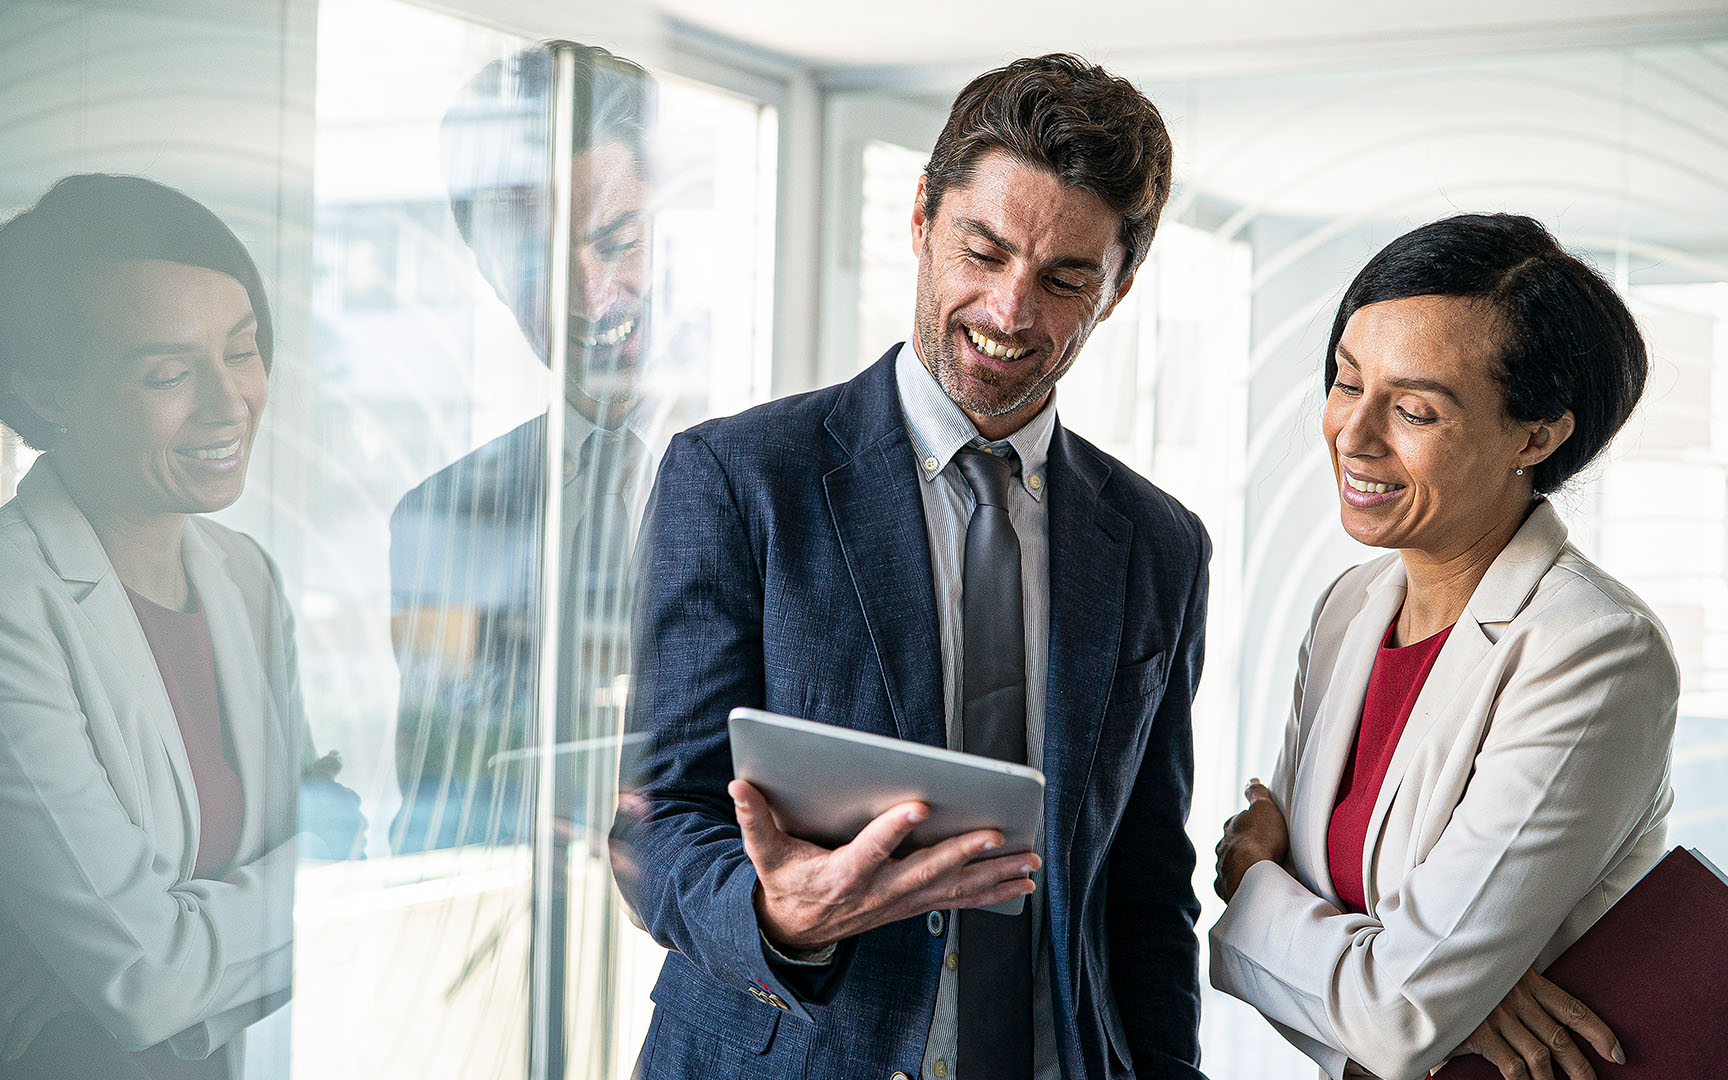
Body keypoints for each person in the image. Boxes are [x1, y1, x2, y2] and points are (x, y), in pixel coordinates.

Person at [613, 54, 1209, 1080]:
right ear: (923, 217)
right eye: (983, 251)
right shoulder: (741, 478)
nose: (1011, 312)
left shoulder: (1160, 546)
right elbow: (660, 820)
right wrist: (775, 915)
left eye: (1066, 278)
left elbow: (1147, 888)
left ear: (1119, 288)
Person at [1209, 214, 1677, 1080]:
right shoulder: (1348, 611)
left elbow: (1395, 1016)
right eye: (1348, 382)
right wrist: (1432, 994)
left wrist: (1249, 883)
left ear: (1535, 436)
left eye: (1414, 409)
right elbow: (1386, 1012)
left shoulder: (1598, 653)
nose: (1354, 433)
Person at [0, 174, 358, 1078]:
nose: (228, 401)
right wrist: (310, 865)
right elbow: (144, 977)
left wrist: (295, 874)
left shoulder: (244, 576)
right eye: (167, 372)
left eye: (241, 350)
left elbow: (332, 857)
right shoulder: (12, 598)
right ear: (48, 395)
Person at [389, 40, 652, 853]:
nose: (590, 296)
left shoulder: (792, 486)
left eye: (617, 241)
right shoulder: (438, 514)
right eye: (538, 262)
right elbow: (433, 795)